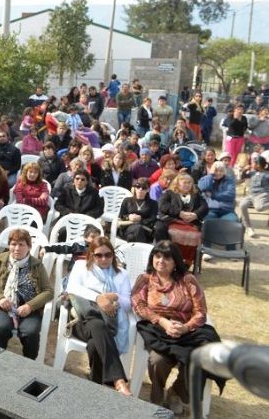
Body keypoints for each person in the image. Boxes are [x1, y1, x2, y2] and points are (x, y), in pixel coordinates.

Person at [131, 241, 227, 414]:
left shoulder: (188, 280)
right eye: (157, 256)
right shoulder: (145, 279)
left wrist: (185, 327)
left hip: (187, 331)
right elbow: (139, 305)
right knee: (157, 360)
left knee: (199, 358)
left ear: (175, 261)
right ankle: (157, 396)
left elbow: (200, 312)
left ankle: (176, 392)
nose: (161, 260)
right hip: (158, 330)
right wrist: (162, 321)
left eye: (167, 257)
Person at [66, 236, 132, 395]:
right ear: (91, 255)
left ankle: (94, 388)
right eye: (98, 255)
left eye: (108, 255)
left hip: (111, 324)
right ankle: (118, 380)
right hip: (81, 322)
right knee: (97, 325)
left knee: (95, 345)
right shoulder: (81, 266)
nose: (104, 259)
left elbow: (128, 304)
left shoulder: (121, 274)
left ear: (113, 256)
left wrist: (114, 296)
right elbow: (72, 287)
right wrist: (98, 298)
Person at [0, 229, 53, 360]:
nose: (17, 248)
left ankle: (28, 365)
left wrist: (30, 306)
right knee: (0, 327)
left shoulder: (37, 265)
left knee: (30, 332)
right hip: (4, 307)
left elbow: (49, 291)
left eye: (22, 244)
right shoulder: (0, 260)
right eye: (13, 244)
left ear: (29, 247)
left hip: (29, 309)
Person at [154, 173, 208, 265]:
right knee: (161, 229)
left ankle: (185, 263)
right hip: (171, 220)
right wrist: (180, 213)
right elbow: (163, 206)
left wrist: (195, 214)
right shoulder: (169, 193)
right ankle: (165, 257)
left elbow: (205, 207)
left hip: (191, 222)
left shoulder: (196, 195)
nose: (187, 185)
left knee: (194, 234)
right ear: (178, 183)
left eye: (189, 183)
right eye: (184, 182)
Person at [117, 177, 158, 243]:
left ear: (148, 190)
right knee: (134, 232)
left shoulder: (153, 203)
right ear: (135, 188)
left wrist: (140, 219)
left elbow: (153, 218)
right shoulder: (127, 200)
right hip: (128, 226)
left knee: (136, 232)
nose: (140, 189)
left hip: (144, 228)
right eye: (138, 186)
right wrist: (129, 217)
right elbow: (121, 216)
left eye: (144, 187)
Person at [239, 156, 269, 237]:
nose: (251, 164)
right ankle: (248, 227)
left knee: (259, 208)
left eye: (253, 163)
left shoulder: (267, 174)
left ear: (258, 164)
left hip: (262, 195)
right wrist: (245, 169)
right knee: (242, 205)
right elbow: (242, 177)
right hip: (251, 195)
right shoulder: (252, 173)